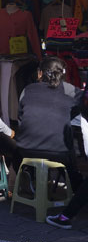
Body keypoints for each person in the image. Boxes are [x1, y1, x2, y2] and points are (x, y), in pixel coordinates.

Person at [14, 56, 82, 193]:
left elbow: (20, 117)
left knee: (16, 154)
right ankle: (76, 188)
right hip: (59, 152)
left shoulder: (28, 89)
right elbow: (81, 106)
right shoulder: (70, 90)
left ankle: (30, 177)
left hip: (26, 149)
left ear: (40, 73)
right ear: (63, 74)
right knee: (68, 153)